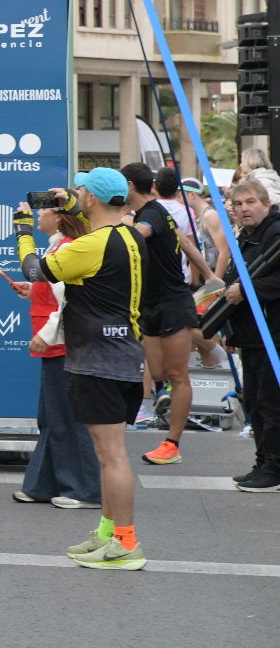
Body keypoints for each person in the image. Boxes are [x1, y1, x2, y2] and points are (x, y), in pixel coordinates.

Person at [15, 167, 148, 570]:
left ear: (92, 199)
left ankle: (126, 542)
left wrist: (22, 231)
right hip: (119, 351)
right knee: (106, 452)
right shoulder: (125, 233)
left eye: (81, 192)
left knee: (112, 455)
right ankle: (109, 532)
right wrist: (72, 201)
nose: (77, 197)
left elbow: (35, 270)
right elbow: (90, 211)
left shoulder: (93, 243)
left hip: (100, 357)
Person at [8, 203, 101, 508]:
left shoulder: (68, 247)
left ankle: (86, 490)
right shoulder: (58, 246)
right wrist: (32, 291)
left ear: (59, 217)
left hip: (63, 343)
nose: (37, 214)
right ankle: (42, 484)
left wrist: (45, 335)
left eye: (43, 210)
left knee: (67, 417)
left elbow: (68, 303)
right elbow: (55, 292)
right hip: (57, 343)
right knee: (51, 417)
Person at [120, 162, 207, 464]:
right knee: (158, 373)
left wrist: (119, 225)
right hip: (150, 305)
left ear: (130, 185)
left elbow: (140, 234)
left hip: (173, 303)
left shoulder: (152, 214)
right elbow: (183, 242)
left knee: (178, 375)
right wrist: (210, 274)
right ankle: (164, 402)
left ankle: (172, 444)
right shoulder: (152, 212)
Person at [222, 182, 280, 491]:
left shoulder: (275, 234)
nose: (245, 208)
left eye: (251, 201)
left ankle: (274, 468)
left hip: (274, 335)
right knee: (256, 404)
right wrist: (231, 330)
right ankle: (263, 462)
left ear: (266, 204)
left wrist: (246, 289)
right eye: (239, 203)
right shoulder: (246, 237)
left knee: (271, 404)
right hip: (252, 336)